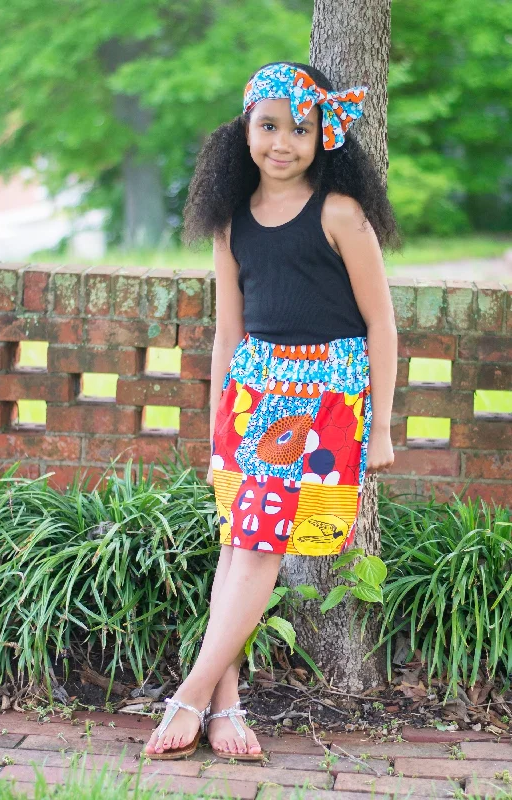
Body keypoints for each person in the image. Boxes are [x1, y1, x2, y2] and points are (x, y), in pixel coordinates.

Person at [143, 60, 398, 761]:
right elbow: (227, 330)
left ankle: (189, 695)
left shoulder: (339, 214)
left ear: (322, 138)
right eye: (268, 125)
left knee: (258, 545)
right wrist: (214, 422)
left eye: (300, 129)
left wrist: (379, 424)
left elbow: (381, 323)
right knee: (238, 543)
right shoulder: (230, 223)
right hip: (252, 393)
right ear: (244, 130)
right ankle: (224, 710)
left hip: (322, 401)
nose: (281, 141)